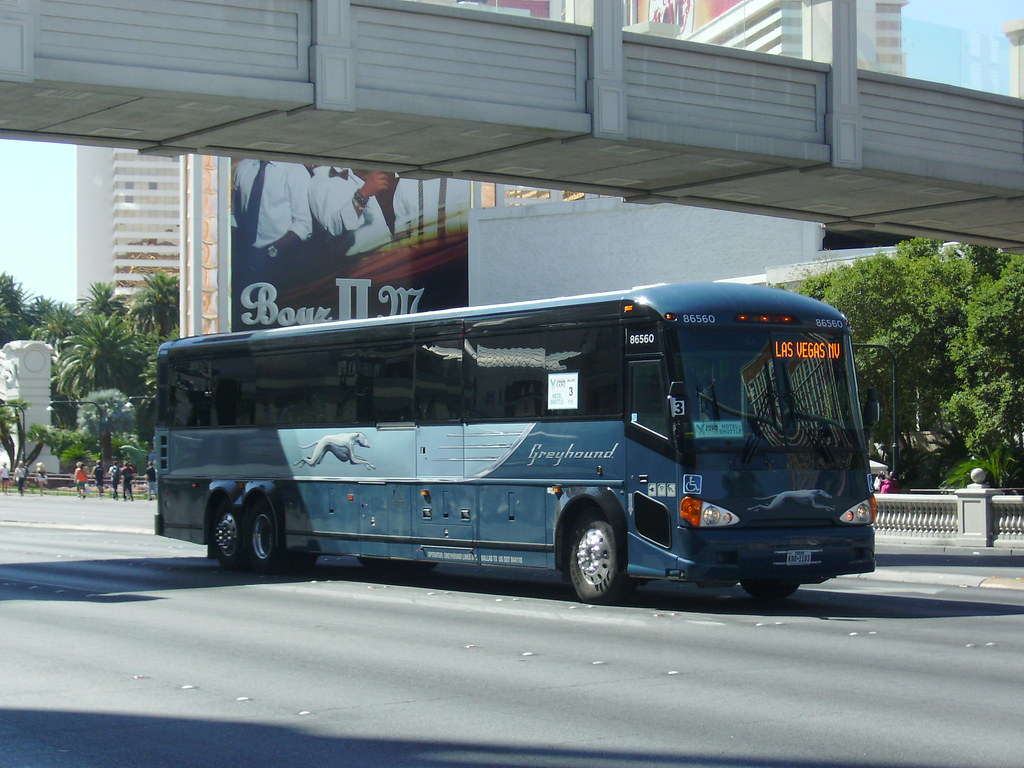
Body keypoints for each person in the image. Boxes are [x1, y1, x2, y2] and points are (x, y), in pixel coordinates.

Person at [308, 166, 393, 258]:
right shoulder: (319, 184)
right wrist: (364, 193)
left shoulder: (351, 176)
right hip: (362, 260)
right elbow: (334, 227)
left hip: (386, 252)